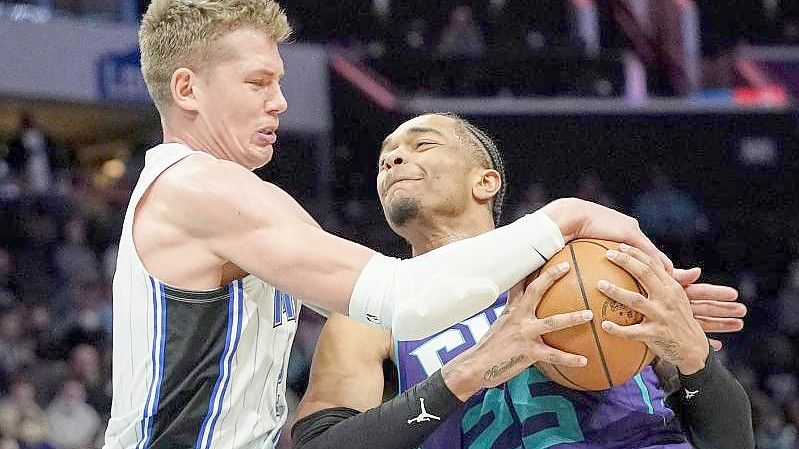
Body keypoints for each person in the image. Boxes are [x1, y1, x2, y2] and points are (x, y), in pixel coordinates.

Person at [105, 1, 675, 447]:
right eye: (258, 83)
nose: (279, 102)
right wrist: (561, 219)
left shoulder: (250, 198)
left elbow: (398, 301)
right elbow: (404, 297)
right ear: (187, 89)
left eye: (278, 83)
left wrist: (621, 299)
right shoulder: (197, 186)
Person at [291, 114, 754, 449]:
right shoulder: (366, 318)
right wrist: (469, 371)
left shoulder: (589, 262)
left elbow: (731, 439)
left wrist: (692, 356)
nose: (392, 158)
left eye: (421, 144)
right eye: (384, 157)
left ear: (485, 182)